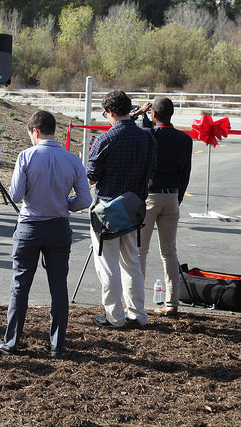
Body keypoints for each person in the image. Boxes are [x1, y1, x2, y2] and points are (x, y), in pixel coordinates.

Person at [0, 111, 91, 357]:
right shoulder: (73, 159)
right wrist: (64, 203)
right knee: (58, 286)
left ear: (35, 131)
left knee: (20, 285)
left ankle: (11, 341)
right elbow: (84, 200)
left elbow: (16, 195)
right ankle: (57, 344)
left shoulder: (26, 156)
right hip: (58, 227)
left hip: (30, 227)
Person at [87, 90, 157, 329]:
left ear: (110, 112)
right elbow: (151, 174)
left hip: (107, 211)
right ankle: (137, 314)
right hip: (134, 209)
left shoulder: (104, 140)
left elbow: (91, 177)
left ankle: (114, 316)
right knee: (132, 263)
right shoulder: (147, 138)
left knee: (108, 265)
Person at [137, 97, 193, 316]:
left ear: (154, 114)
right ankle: (171, 303)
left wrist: (138, 113)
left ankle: (136, 302)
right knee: (169, 252)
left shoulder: (149, 135)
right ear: (172, 114)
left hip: (149, 197)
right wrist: (178, 197)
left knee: (140, 251)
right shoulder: (185, 139)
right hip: (171, 196)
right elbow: (185, 173)